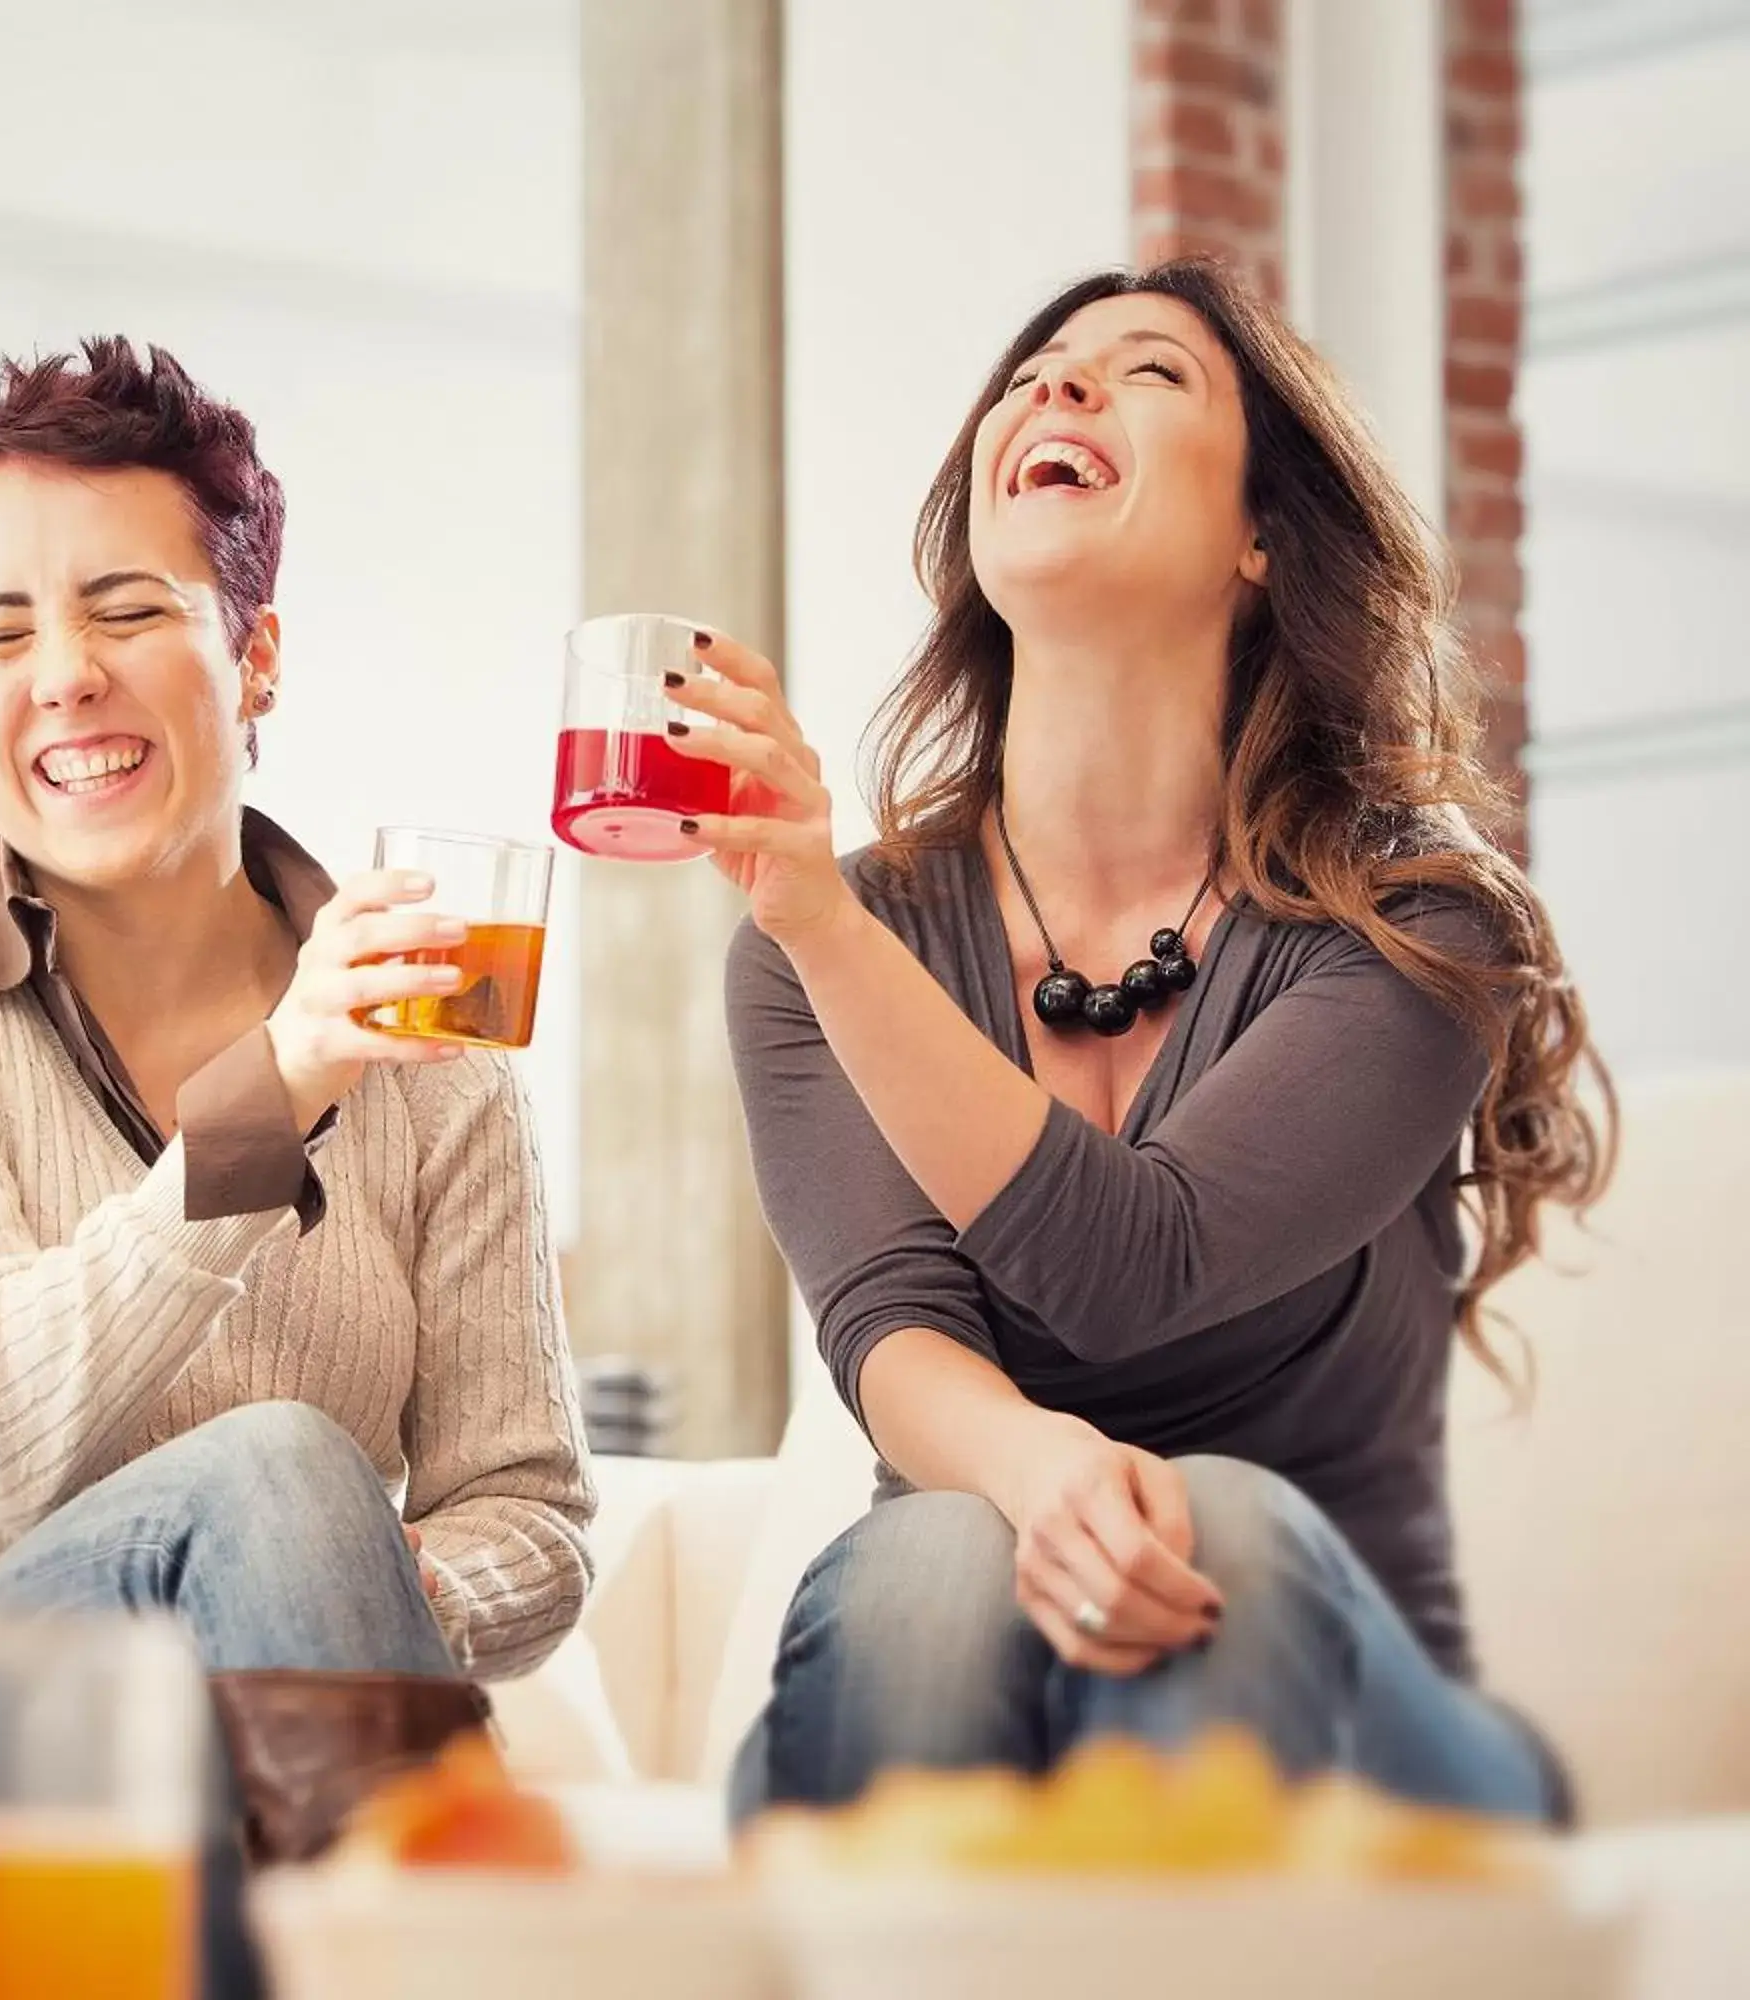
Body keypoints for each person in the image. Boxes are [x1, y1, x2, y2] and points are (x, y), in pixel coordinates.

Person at [661, 258, 1611, 1826]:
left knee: (1219, 1523)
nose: (1056, 384)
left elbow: (1131, 1267)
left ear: (1260, 538)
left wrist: (824, 927)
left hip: (1362, 1734)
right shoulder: (822, 934)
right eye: (1034, 368)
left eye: (1149, 372)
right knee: (930, 1560)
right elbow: (893, 1338)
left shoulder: (1418, 922)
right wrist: (1035, 1479)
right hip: (959, 1644)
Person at [0, 336, 593, 1865]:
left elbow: (533, 1518)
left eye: (129, 608)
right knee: (283, 1461)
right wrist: (271, 1086)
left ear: (256, 655)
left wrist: (355, 1575)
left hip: (262, 1742)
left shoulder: (436, 1047)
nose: (64, 673)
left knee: (292, 1496)